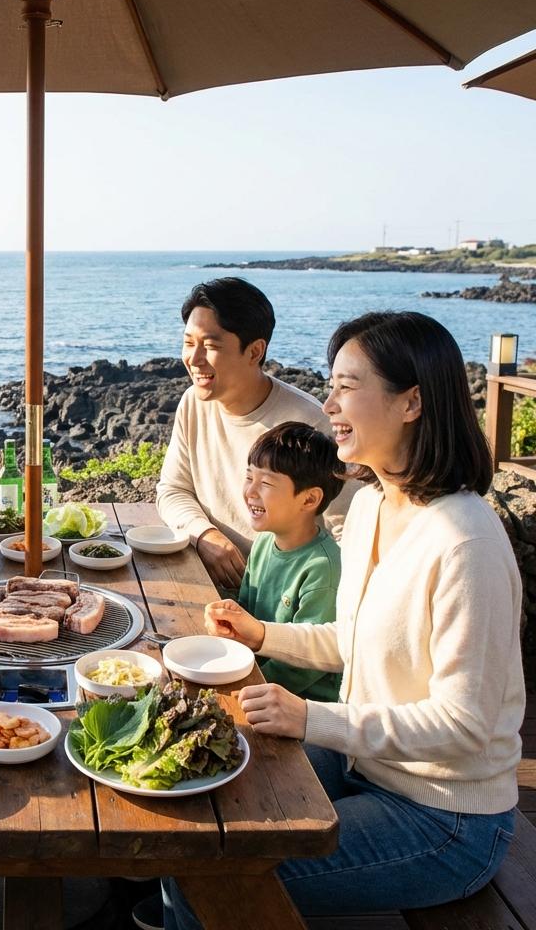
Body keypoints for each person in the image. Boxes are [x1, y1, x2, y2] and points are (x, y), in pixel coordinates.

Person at [162, 311, 524, 930]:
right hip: (365, 767)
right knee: (194, 799)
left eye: (347, 386)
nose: (327, 404)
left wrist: (312, 717)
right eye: (330, 386)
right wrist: (262, 634)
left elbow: (466, 723)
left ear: (412, 402)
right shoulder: (369, 509)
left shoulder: (466, 542)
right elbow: (356, 643)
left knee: (207, 876)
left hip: (446, 816)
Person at [157, 278, 356, 593]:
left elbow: (347, 535)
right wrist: (204, 535)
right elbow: (172, 490)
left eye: (209, 346)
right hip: (205, 579)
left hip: (282, 606)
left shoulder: (312, 425)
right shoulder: (194, 402)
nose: (193, 360)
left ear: (254, 351)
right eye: (188, 342)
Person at [238, 421, 343, 704]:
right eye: (250, 477)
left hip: (303, 706)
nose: (250, 491)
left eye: (267, 483)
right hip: (255, 680)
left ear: (309, 499)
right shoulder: (262, 542)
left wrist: (243, 685)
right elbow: (245, 610)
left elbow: (303, 665)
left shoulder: (323, 566)